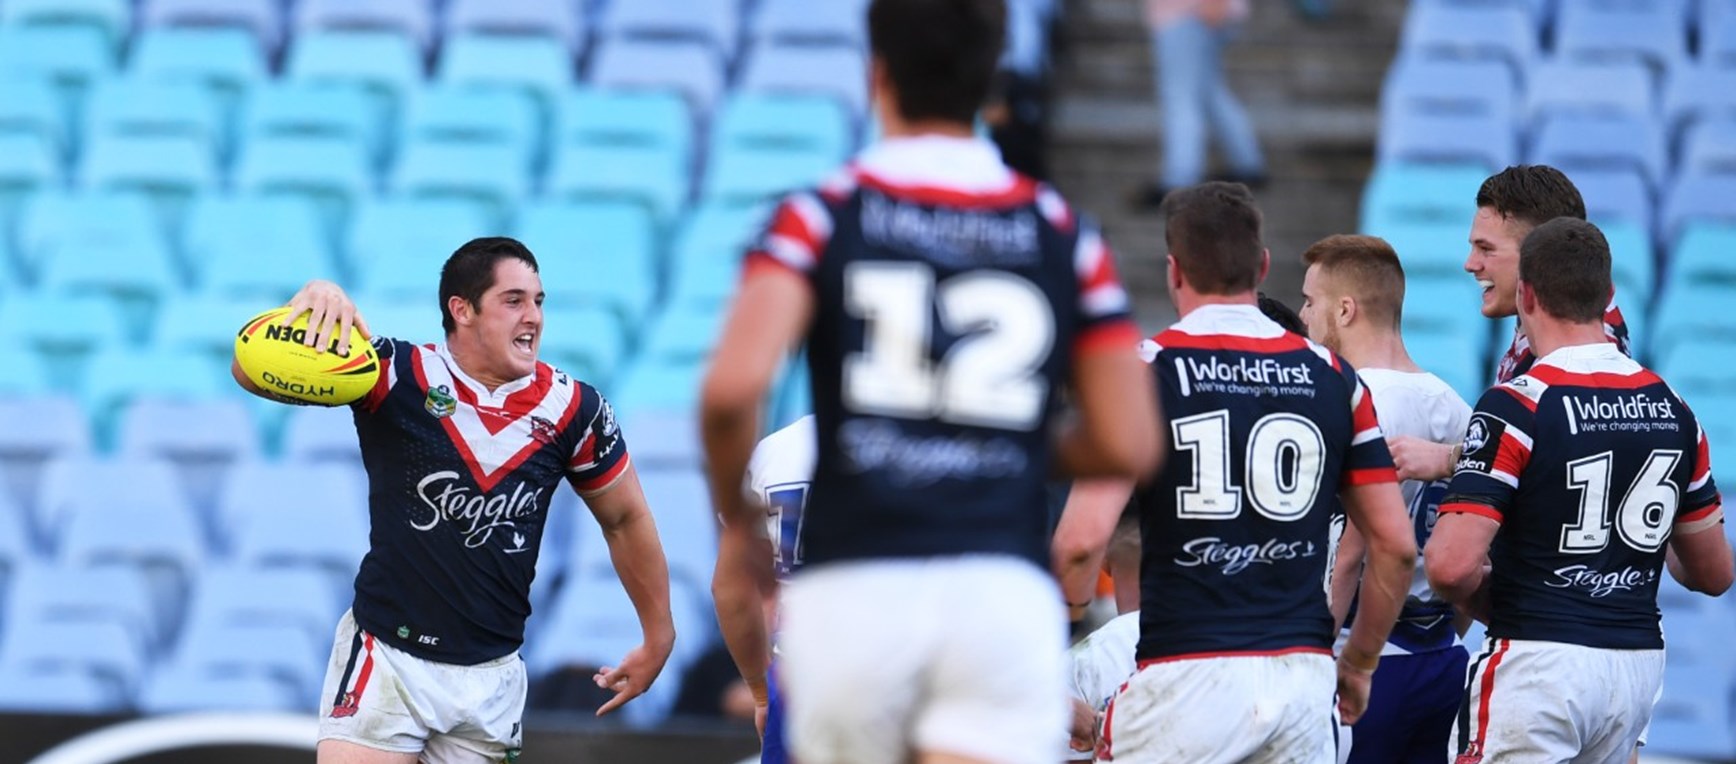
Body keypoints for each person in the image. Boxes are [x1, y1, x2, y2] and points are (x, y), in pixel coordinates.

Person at [701, 0, 1164, 761]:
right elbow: (1130, 438)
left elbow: (728, 395)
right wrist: (997, 443)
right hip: (995, 590)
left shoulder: (819, 216)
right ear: (990, 85)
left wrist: (740, 519)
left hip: (857, 587)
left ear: (876, 74)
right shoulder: (1061, 231)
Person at [232, 237, 676, 763]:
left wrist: (659, 635)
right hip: (386, 658)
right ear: (461, 310)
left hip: (491, 679)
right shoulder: (393, 373)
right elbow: (248, 371)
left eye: (538, 301)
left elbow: (624, 518)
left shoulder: (575, 409)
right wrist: (315, 298)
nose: (533, 316)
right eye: (513, 301)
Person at [1076, 182, 1415, 763]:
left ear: (1173, 271)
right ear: (1261, 266)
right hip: (1300, 681)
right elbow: (1397, 548)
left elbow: (1080, 543)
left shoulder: (1142, 371)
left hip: (1184, 672)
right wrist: (1359, 662)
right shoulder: (1336, 377)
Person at [1426, 217, 1733, 761]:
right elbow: (1713, 574)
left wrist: (1503, 602)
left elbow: (1450, 566)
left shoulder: (1516, 404)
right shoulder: (1676, 409)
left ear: (1526, 294)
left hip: (1538, 662)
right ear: (1606, 293)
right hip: (1634, 668)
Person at [1298, 234, 1473, 764]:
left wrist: (1316, 664)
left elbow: (1348, 555)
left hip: (1365, 654)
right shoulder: (1456, 405)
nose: (1303, 316)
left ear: (1345, 310)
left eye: (1310, 301)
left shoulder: (1356, 401)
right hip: (1441, 652)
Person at [1387, 164, 1631, 483]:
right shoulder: (1552, 319)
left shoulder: (1582, 341)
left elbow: (1577, 454)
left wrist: (1450, 458)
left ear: (1541, 254)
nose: (1470, 264)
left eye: (1486, 249)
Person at [1133, 0, 1267, 208]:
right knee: (1209, 93)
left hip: (1185, 13)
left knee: (1181, 98)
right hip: (1194, 13)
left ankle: (1180, 179)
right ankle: (1247, 163)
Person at [741, 414, 817, 764]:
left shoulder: (772, 451)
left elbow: (733, 588)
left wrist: (761, 691)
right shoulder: (914, 450)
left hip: (794, 669)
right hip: (895, 659)